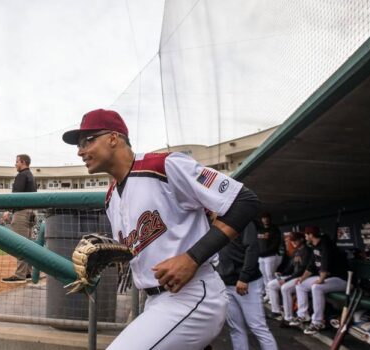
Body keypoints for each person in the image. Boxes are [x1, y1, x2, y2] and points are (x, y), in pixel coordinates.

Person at [61, 109, 260, 349]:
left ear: (113, 138)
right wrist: (115, 254)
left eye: (87, 141)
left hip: (193, 293)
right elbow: (143, 247)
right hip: (154, 302)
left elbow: (244, 202)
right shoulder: (110, 198)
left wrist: (192, 258)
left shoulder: (163, 165)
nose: (80, 151)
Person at [217, 219, 278, 350]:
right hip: (226, 284)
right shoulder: (213, 225)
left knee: (258, 327)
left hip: (247, 283)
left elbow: (252, 248)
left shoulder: (242, 220)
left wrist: (244, 277)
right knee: (235, 328)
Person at [290, 226, 349, 335]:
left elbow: (325, 266)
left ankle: (318, 322)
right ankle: (302, 315)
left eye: (306, 234)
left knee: (316, 287)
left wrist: (320, 279)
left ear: (311, 235)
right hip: (328, 278)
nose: (305, 236)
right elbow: (311, 266)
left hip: (341, 279)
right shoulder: (314, 246)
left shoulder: (326, 245)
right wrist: (302, 279)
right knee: (300, 285)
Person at [1, 154, 38, 284]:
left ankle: (20, 274)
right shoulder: (31, 175)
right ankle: (28, 272)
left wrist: (8, 210)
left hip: (22, 213)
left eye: (16, 161)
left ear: (23, 162)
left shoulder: (21, 175)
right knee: (28, 244)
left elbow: (16, 196)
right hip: (31, 212)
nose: (15, 164)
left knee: (20, 244)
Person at [266, 231, 311, 324]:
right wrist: (281, 273)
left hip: (303, 277)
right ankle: (276, 311)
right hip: (293, 276)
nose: (293, 242)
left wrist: (286, 279)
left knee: (285, 288)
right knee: (271, 285)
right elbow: (291, 266)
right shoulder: (296, 251)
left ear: (302, 239)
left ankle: (288, 317)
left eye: (295, 240)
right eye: (291, 241)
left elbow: (302, 270)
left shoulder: (307, 251)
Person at [257, 212, 282, 298]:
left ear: (269, 219)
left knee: (270, 275)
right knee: (264, 276)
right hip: (261, 257)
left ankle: (276, 296)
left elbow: (276, 243)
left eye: (267, 218)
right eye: (263, 218)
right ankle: (269, 294)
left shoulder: (274, 229)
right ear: (261, 219)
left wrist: (266, 251)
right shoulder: (259, 229)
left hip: (270, 256)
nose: (265, 219)